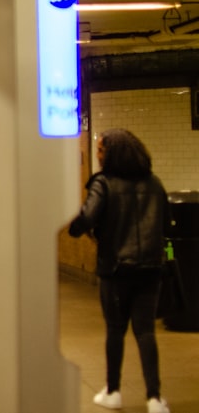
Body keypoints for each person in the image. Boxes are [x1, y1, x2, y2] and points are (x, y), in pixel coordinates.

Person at [68, 128, 171, 413]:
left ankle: (113, 391)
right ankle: (154, 399)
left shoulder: (104, 183)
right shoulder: (154, 183)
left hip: (115, 270)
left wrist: (78, 229)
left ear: (112, 153)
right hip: (150, 269)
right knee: (146, 332)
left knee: (115, 331)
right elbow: (166, 222)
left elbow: (87, 216)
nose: (98, 154)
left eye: (100, 149)